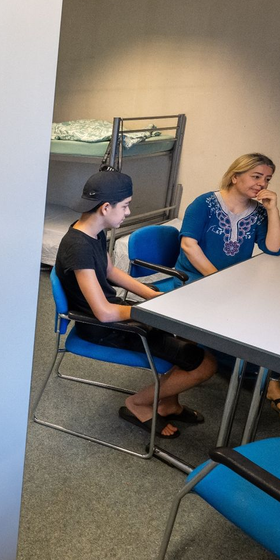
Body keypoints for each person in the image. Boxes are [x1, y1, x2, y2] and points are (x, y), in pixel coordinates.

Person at [55, 169, 218, 438]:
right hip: (102, 328)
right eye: (125, 205)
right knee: (205, 364)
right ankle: (137, 404)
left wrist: (152, 296)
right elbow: (104, 313)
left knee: (187, 340)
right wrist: (147, 312)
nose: (128, 212)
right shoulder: (78, 246)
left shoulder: (93, 230)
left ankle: (168, 401)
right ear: (106, 207)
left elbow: (109, 271)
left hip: (116, 316)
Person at [172, 154, 280, 422]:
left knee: (274, 309)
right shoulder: (204, 203)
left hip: (232, 282)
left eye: (267, 179)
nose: (262, 183)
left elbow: (275, 248)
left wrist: (272, 209)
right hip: (194, 280)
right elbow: (188, 246)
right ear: (235, 176)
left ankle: (267, 374)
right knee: (246, 316)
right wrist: (217, 279)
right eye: (256, 176)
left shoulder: (256, 211)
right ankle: (263, 376)